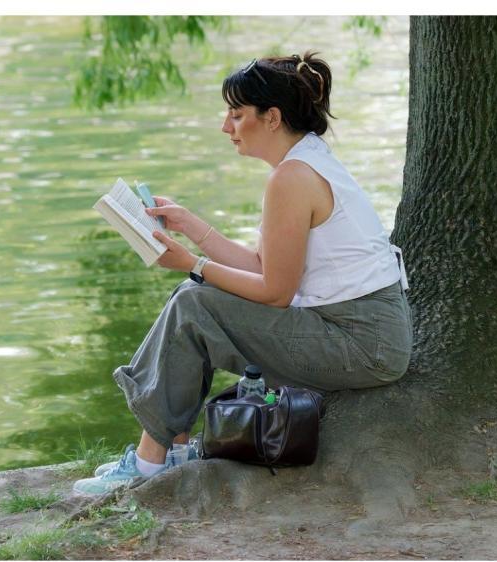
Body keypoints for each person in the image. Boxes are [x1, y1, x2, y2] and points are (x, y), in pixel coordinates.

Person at [73, 51, 412, 496]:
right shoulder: (305, 161)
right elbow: (261, 266)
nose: (225, 126)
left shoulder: (293, 177)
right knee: (191, 297)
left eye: (236, 114)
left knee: (194, 301)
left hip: (363, 342)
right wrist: (190, 226)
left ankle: (150, 463)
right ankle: (167, 451)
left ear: (271, 118)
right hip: (360, 331)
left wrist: (192, 264)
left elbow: (274, 291)